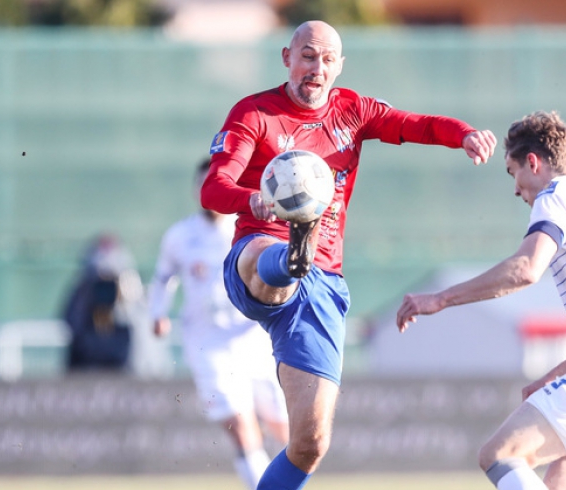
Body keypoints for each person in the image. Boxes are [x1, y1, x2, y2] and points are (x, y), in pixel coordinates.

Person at [200, 20, 498, 489]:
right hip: (257, 251)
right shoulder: (254, 113)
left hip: (323, 283)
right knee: (266, 256)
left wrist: (463, 133)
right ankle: (290, 258)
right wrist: (249, 199)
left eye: (326, 60)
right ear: (286, 57)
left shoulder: (352, 110)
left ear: (339, 66)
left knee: (309, 445)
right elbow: (213, 188)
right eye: (307, 56)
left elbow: (412, 124)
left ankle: (299, 258)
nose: (316, 69)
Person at [395, 111, 566, 490]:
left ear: (534, 162)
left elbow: (527, 267)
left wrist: (441, 299)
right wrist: (554, 377)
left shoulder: (558, 194)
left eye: (513, 173)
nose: (516, 190)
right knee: (564, 479)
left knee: (500, 454)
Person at [149, 158, 290, 490]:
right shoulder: (181, 236)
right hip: (208, 342)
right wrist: (158, 313)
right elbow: (163, 278)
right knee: (240, 427)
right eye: (202, 184)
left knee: (283, 426)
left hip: (255, 337)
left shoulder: (249, 229)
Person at [62, 233, 138, 372]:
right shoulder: (85, 289)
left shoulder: (129, 288)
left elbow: (136, 323)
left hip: (118, 362)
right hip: (86, 361)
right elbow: (72, 321)